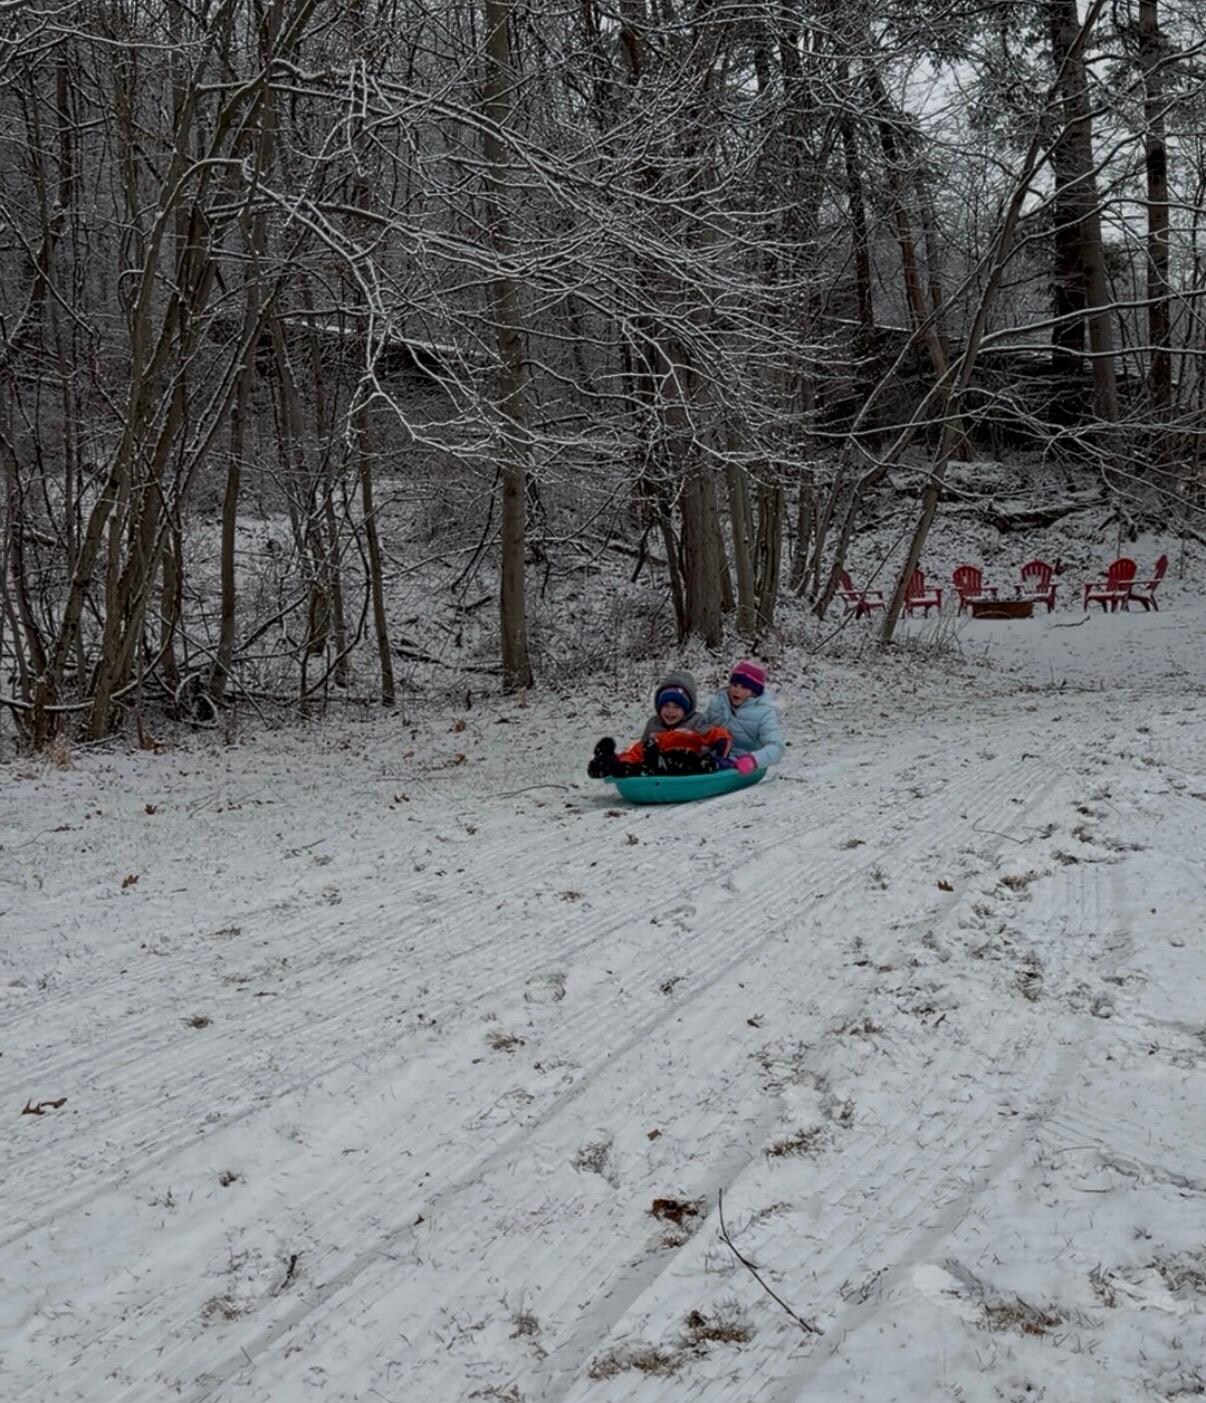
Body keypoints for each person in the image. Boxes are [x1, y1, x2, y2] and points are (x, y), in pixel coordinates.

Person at [588, 670, 732, 779]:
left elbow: (718, 735)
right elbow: (640, 749)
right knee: (641, 754)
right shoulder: (654, 725)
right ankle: (609, 764)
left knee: (681, 757)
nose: (670, 711)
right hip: (655, 764)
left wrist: (718, 755)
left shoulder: (695, 722)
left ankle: (652, 765)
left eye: (677, 707)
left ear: (687, 709)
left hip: (689, 764)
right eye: (666, 706)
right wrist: (622, 760)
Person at [700, 660, 784, 774]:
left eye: (744, 687)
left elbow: (776, 747)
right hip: (712, 757)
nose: (737, 690)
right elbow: (701, 727)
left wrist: (754, 760)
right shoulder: (718, 703)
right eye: (734, 685)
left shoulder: (764, 714)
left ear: (754, 692)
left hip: (742, 764)